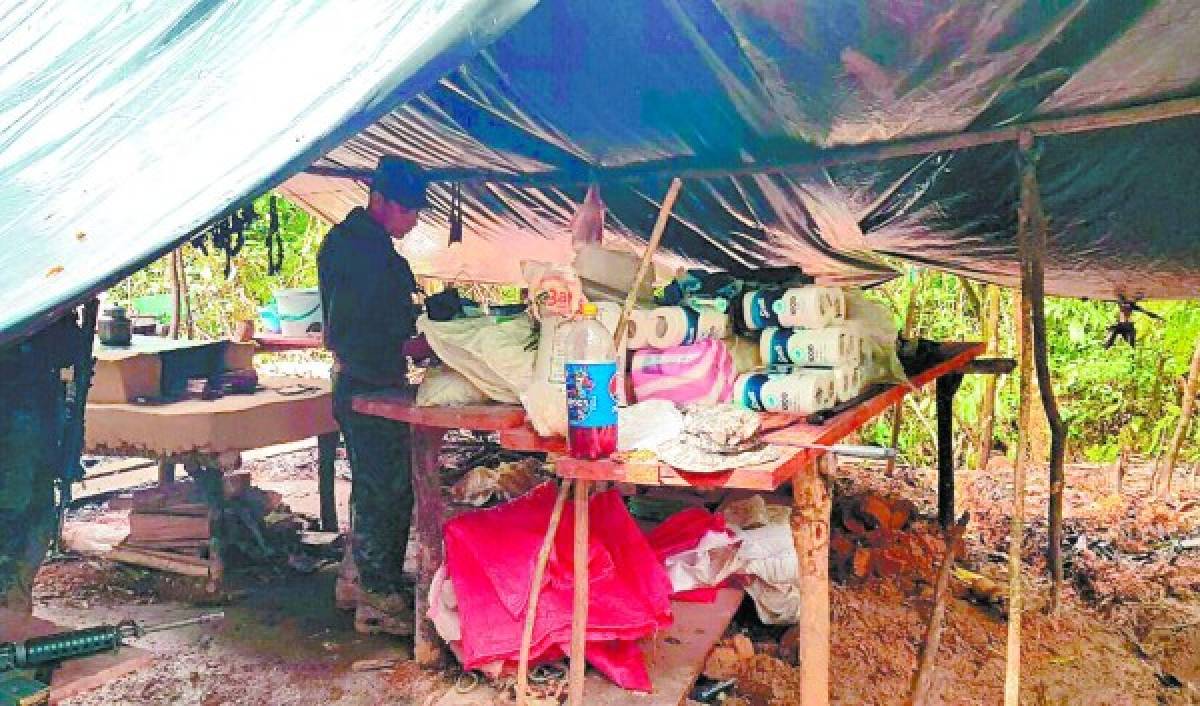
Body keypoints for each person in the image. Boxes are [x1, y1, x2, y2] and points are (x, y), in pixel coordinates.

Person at [318, 157, 428, 635]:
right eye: (406, 210)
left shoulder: (360, 245)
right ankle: (379, 598)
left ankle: (356, 577)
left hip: (363, 379)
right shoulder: (363, 253)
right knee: (388, 489)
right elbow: (349, 331)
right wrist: (412, 345)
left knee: (371, 483)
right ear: (379, 200)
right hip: (367, 383)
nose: (412, 220)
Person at [0, 312, 87, 613]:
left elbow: (66, 349)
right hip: (18, 431)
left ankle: (15, 602)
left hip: (38, 427)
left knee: (35, 516)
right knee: (15, 517)